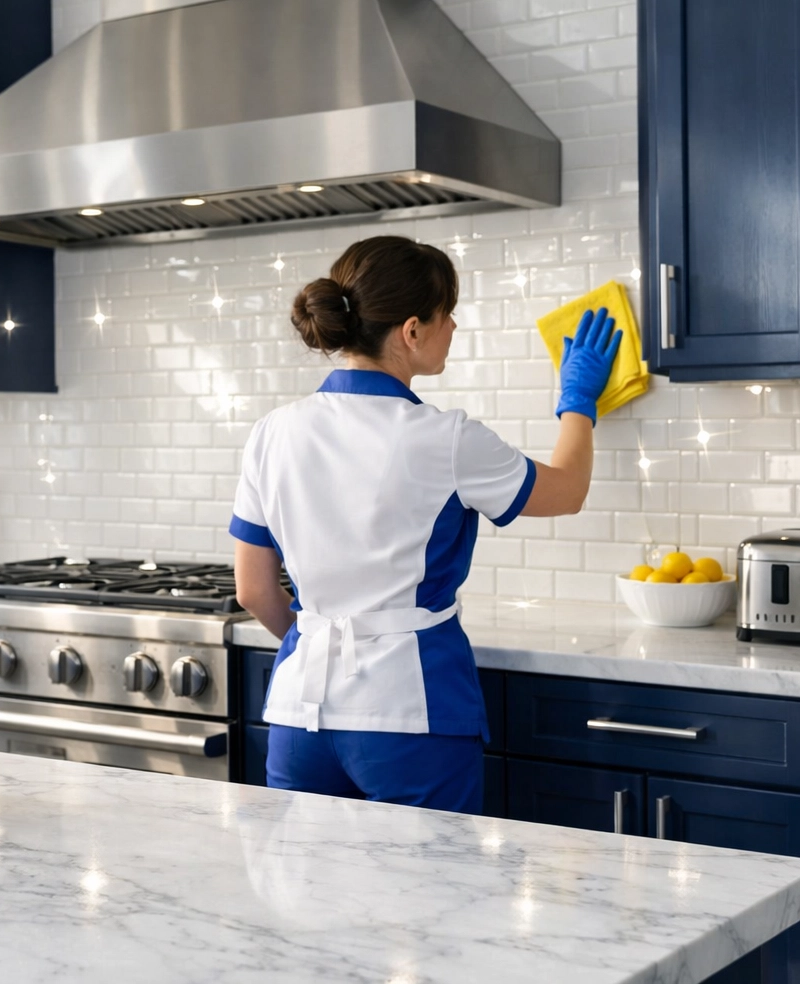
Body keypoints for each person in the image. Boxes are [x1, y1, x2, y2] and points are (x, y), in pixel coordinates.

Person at [230, 235, 621, 814]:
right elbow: (568, 490)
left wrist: (320, 641)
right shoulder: (447, 439)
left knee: (306, 895)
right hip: (409, 716)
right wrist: (578, 400)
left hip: (298, 715)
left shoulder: (272, 431)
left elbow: (253, 591)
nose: (455, 326)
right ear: (412, 331)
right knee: (431, 897)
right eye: (447, 314)